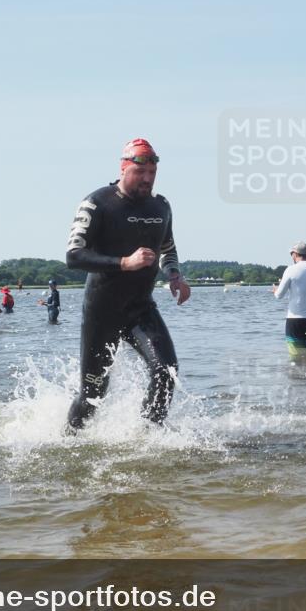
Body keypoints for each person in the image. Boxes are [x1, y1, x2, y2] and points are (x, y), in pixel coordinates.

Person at [64, 138, 191, 431]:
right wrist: (124, 263)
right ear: (123, 168)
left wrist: (174, 275)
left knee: (166, 372)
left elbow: (168, 249)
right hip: (102, 312)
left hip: (140, 308)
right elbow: (73, 256)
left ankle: (146, 438)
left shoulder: (161, 207)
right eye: (140, 172)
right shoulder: (97, 203)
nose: (147, 179)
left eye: (152, 173)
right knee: (93, 394)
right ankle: (68, 440)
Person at [273, 241, 306, 357]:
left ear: (295, 254)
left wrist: (275, 291)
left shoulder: (291, 270)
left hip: (294, 322)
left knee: (295, 359)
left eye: (291, 254)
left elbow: (279, 295)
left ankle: (296, 375)